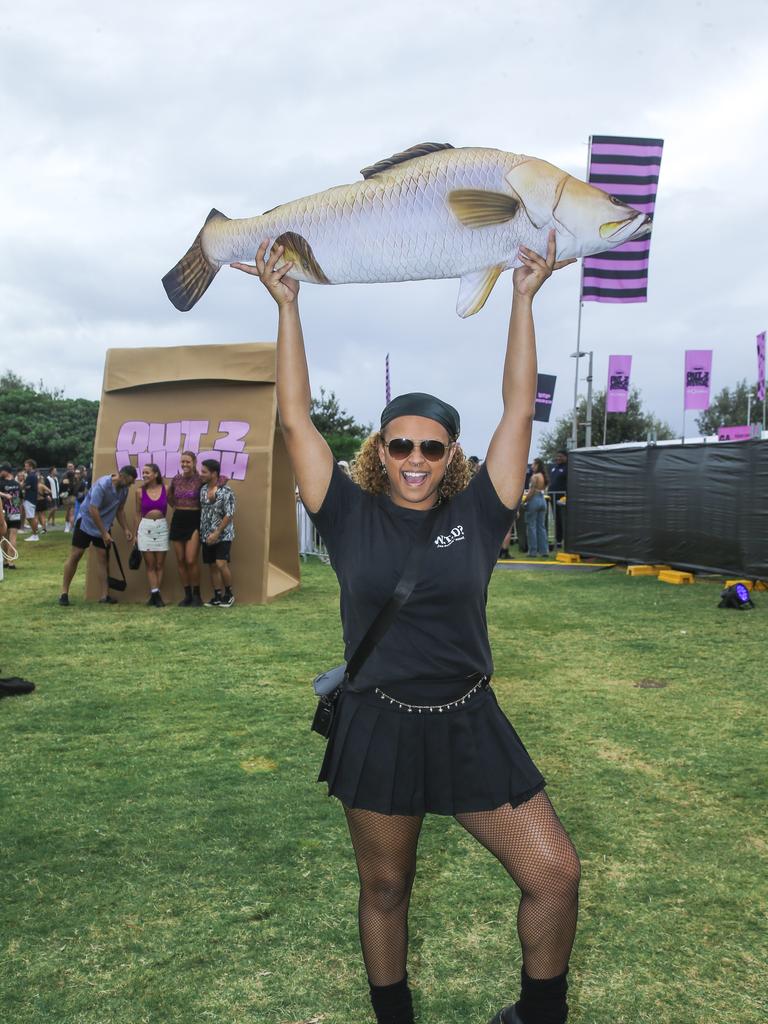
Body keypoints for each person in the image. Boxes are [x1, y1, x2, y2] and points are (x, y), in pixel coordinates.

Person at [232, 233, 581, 1024]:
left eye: (431, 446)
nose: (416, 458)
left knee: (554, 873)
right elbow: (293, 420)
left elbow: (519, 407)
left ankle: (538, 1015)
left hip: (468, 719)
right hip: (380, 724)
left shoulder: (480, 511)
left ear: (451, 452)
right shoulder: (348, 513)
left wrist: (523, 299)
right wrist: (289, 307)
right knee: (386, 887)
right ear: (378, 450)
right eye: (401, 445)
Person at [59, 466, 137, 606]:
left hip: (104, 526)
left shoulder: (124, 490)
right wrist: (104, 533)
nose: (130, 485)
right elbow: (93, 509)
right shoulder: (102, 485)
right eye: (129, 482)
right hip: (86, 521)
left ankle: (104, 596)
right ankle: (64, 593)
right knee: (76, 555)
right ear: (122, 476)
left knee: (103, 558)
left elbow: (119, 510)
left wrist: (125, 529)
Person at [168, 451, 204, 606]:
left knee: (191, 560)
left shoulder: (201, 479)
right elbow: (170, 497)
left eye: (188, 462)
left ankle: (197, 595)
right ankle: (187, 595)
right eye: (182, 462)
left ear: (194, 462)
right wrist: (177, 506)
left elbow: (221, 480)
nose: (184, 465)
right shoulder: (176, 479)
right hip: (178, 520)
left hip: (194, 520)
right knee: (181, 560)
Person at [199, 459, 236, 607]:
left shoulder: (226, 491)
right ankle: (217, 596)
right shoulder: (202, 490)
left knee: (221, 564)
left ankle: (229, 594)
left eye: (204, 472)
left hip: (223, 534)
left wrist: (217, 532)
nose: (201, 474)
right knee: (212, 566)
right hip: (206, 535)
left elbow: (230, 513)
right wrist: (208, 534)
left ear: (214, 473)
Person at [135, 462, 169, 607]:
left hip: (161, 527)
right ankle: (155, 594)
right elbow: (137, 514)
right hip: (146, 528)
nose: (144, 475)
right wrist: (136, 533)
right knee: (150, 564)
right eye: (143, 473)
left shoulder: (166, 489)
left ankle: (155, 595)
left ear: (156, 474)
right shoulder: (139, 491)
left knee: (160, 564)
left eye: (147, 472)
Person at [523, 458, 549, 558]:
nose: (532, 466)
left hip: (534, 500)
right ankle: (544, 550)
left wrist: (525, 501)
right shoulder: (543, 476)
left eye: (533, 464)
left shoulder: (534, 477)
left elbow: (532, 491)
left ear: (537, 465)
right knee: (541, 527)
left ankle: (532, 551)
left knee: (531, 526)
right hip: (543, 500)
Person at [0, 464, 21, 570]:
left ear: (6, 471)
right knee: (12, 537)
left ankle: (6, 561)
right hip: (15, 512)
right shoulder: (17, 484)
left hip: (4, 513)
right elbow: (19, 500)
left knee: (5, 537)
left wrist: (3, 495)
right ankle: (10, 562)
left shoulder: (1, 483)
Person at [548, 451, 568, 548]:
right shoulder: (554, 468)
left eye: (560, 456)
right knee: (556, 519)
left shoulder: (568, 468)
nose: (558, 458)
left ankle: (565, 540)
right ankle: (558, 540)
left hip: (562, 498)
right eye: (557, 456)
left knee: (562, 519)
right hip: (552, 497)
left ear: (565, 457)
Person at [22, 459, 41, 542]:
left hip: (29, 499)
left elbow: (25, 486)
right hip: (31, 499)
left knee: (31, 517)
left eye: (26, 466)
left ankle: (35, 535)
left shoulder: (31, 476)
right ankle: (34, 534)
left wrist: (22, 485)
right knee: (30, 517)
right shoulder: (33, 475)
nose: (25, 467)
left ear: (31, 466)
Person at [60, 463, 77, 533]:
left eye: (71, 466)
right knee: (70, 513)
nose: (70, 467)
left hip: (69, 497)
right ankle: (70, 527)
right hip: (71, 497)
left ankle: (68, 527)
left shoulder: (65, 477)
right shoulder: (74, 477)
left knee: (69, 512)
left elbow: (61, 488)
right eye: (69, 466)